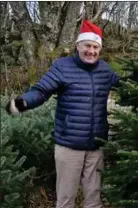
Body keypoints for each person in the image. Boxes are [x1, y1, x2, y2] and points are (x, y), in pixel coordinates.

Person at [6, 20, 119, 208]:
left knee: (94, 199)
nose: (91, 51)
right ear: (78, 46)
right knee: (66, 199)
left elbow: (127, 87)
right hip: (69, 145)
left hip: (96, 145)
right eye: (87, 46)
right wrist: (23, 102)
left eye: (95, 47)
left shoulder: (105, 70)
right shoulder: (62, 67)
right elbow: (42, 91)